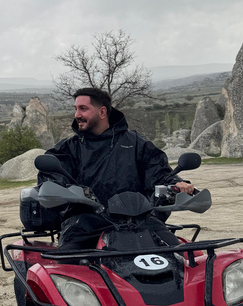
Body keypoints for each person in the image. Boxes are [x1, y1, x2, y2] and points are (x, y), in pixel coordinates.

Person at [37, 88, 194, 248]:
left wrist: (177, 184)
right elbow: (53, 174)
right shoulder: (68, 149)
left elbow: (159, 173)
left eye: (83, 109)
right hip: (86, 224)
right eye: (76, 109)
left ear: (102, 112)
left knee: (181, 256)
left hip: (139, 220)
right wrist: (59, 188)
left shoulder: (136, 143)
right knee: (66, 265)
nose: (77, 115)